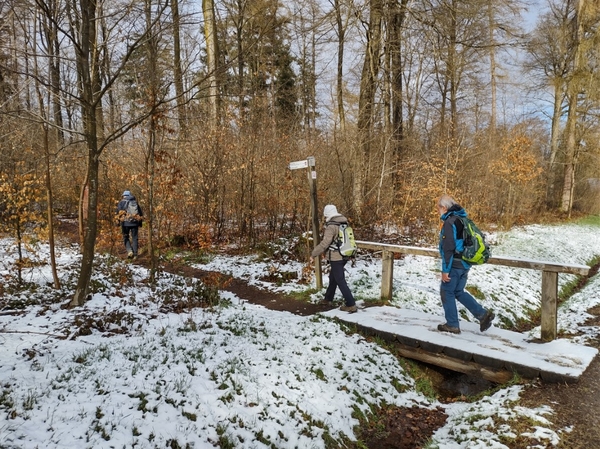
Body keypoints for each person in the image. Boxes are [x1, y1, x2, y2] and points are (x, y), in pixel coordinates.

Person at [437, 194, 494, 334]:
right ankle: (482, 314)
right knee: (458, 291)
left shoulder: (450, 222)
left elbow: (448, 248)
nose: (438, 211)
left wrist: (445, 270)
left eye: (438, 208)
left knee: (447, 291)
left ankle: (452, 325)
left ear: (444, 207)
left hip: (455, 264)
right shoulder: (463, 219)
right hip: (465, 264)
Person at [310, 204, 358, 313]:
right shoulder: (344, 222)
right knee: (333, 277)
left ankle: (351, 304)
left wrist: (313, 254)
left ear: (326, 213)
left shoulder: (331, 226)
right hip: (345, 254)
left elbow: (325, 243)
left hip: (336, 256)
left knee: (340, 280)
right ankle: (328, 299)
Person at [116, 190, 143, 259]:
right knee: (135, 238)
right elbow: (140, 213)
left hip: (125, 223)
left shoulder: (121, 203)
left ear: (124, 196)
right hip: (135, 223)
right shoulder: (135, 202)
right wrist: (140, 223)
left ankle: (129, 251)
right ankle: (135, 254)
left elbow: (118, 214)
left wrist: (118, 222)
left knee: (126, 237)